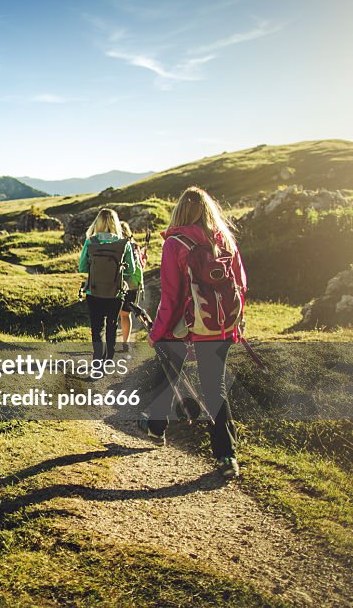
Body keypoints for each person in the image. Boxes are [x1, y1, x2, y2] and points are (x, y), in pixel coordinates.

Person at [141, 186, 247, 479]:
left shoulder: (175, 243)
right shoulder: (224, 239)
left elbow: (172, 297)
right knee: (215, 387)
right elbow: (241, 284)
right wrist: (234, 320)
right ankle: (227, 456)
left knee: (170, 366)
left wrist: (158, 332)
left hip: (188, 324)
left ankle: (156, 424)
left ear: (179, 212)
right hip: (222, 324)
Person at [78, 209, 141, 371]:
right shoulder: (124, 244)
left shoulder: (90, 242)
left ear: (97, 223)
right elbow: (131, 270)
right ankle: (109, 359)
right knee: (112, 325)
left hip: (94, 291)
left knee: (97, 327)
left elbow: (82, 267)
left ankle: (98, 359)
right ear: (115, 223)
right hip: (116, 293)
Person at [118, 220, 146, 353]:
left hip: (119, 283)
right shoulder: (135, 246)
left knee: (114, 315)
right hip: (133, 284)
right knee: (125, 314)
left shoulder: (118, 246)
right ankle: (125, 342)